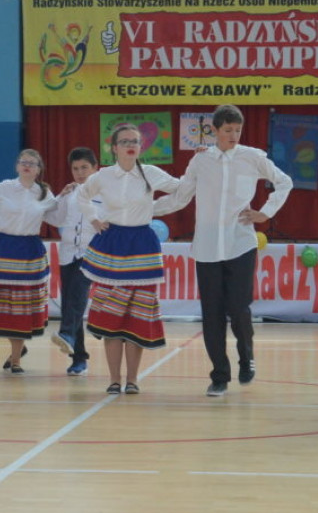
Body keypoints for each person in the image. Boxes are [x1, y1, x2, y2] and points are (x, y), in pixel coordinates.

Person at [154, 103, 292, 396]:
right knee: (211, 314)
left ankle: (247, 358)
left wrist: (265, 212)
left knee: (239, 308)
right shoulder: (200, 161)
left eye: (237, 130)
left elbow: (284, 181)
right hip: (206, 248)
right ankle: (219, 374)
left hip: (240, 243)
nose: (233, 135)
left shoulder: (253, 157)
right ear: (214, 131)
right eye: (227, 130)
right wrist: (145, 210)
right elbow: (181, 197)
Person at [77, 124, 180, 394]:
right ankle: (113, 379)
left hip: (142, 247)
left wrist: (155, 208)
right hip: (111, 246)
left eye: (135, 141)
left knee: (137, 316)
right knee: (111, 317)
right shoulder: (103, 176)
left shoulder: (152, 173)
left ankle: (132, 380)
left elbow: (182, 190)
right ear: (113, 148)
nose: (130, 145)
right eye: (124, 141)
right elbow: (82, 194)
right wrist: (94, 219)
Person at [0, 149, 56, 374]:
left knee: (23, 306)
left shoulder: (44, 193)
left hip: (29, 250)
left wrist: (68, 197)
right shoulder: (4, 187)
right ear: (17, 166)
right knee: (7, 305)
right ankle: (17, 351)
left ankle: (16, 357)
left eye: (32, 163)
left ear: (39, 169)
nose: (27, 166)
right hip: (5, 249)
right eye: (23, 162)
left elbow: (57, 216)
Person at [44, 147, 100, 376]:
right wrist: (60, 197)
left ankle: (66, 332)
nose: (79, 172)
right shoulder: (70, 193)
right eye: (75, 168)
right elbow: (53, 217)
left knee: (77, 296)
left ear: (95, 167)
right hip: (68, 253)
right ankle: (79, 358)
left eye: (84, 167)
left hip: (91, 253)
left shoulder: (105, 191)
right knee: (70, 303)